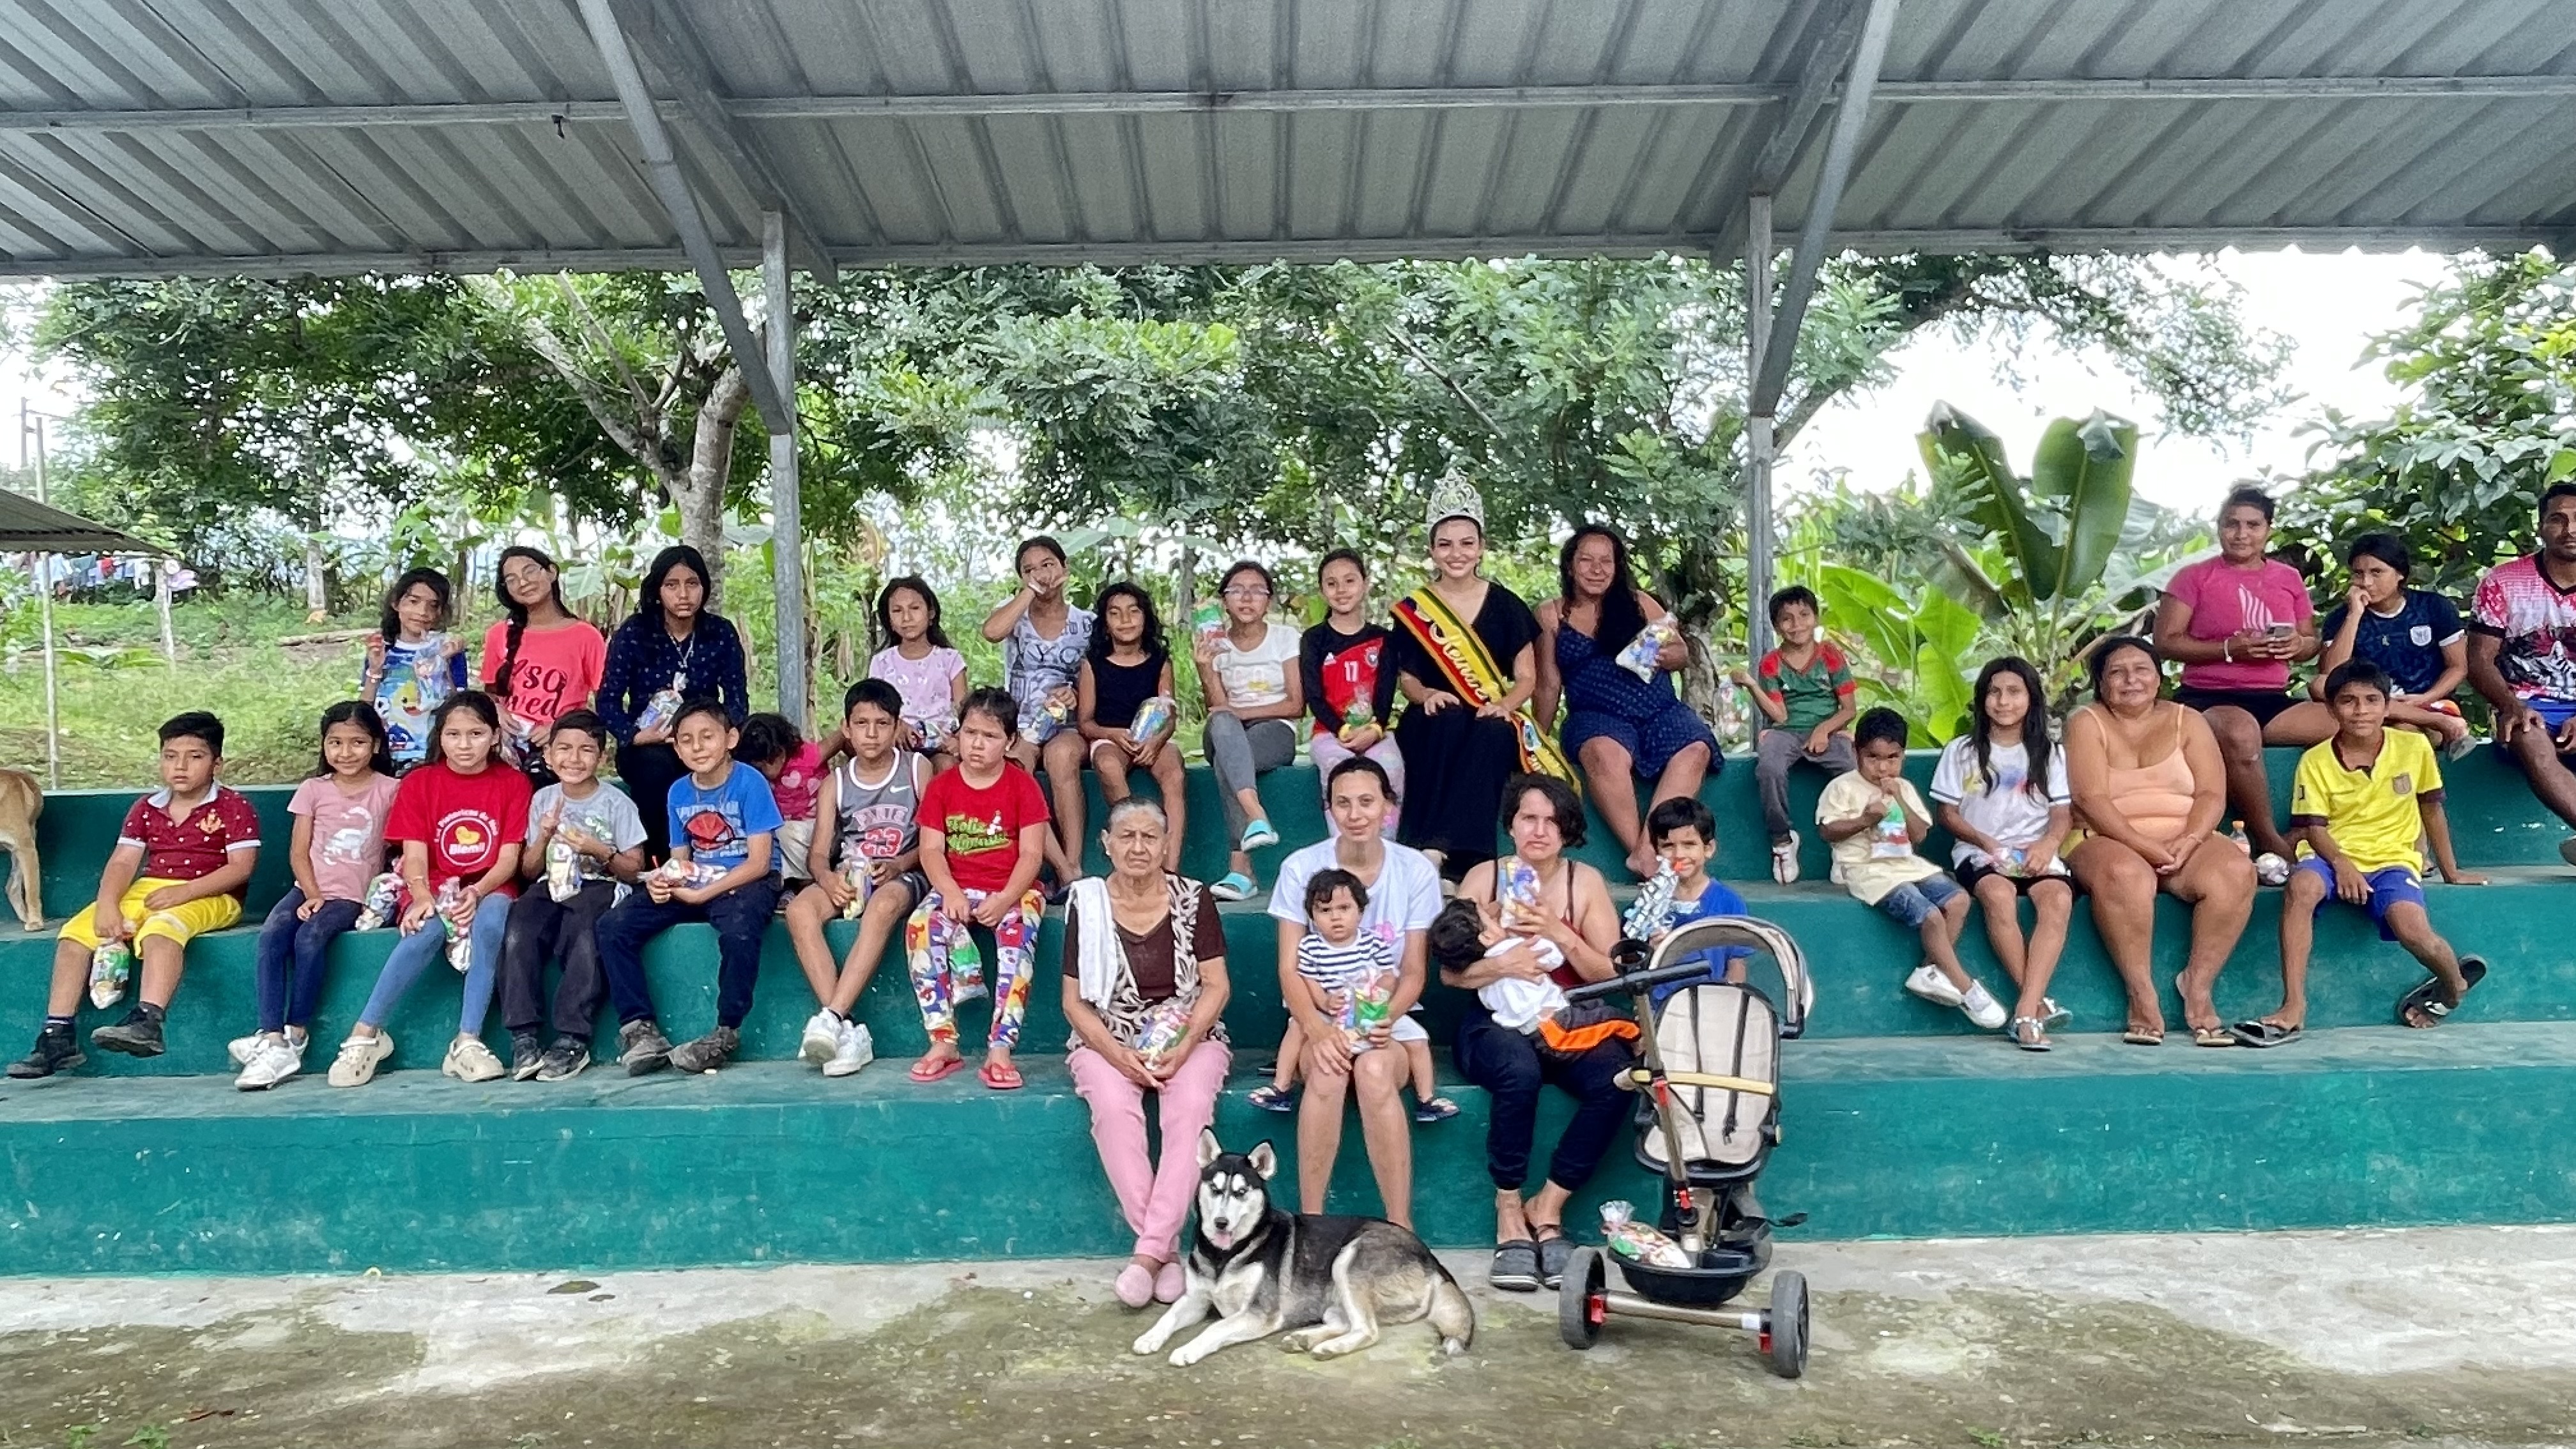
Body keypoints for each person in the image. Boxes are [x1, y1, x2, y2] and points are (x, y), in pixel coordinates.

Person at [2234, 661, 2490, 1047]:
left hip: (2393, 859)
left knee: (2414, 932)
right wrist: (2342, 865)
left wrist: (2451, 871)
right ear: (2332, 709)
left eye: (2372, 700)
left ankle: (2453, 985)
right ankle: (2293, 1006)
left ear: (2387, 707)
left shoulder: (2413, 747)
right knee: (2302, 888)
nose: (2361, 710)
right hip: (2329, 854)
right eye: (2348, 701)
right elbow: (2315, 828)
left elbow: (2432, 810)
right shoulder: (2316, 760)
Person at [1448, 775, 1626, 1292]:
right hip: (1496, 1020)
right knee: (1518, 1071)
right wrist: (1504, 964)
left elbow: (1609, 973)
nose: (1540, 831)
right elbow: (1451, 973)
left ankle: (1547, 1206)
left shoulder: (1584, 882)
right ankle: (1508, 1209)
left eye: (1552, 821)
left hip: (1566, 1017)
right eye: (1529, 818)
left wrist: (1557, 932)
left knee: (1618, 1078)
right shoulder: (1484, 878)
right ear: (1511, 825)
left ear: (1567, 831)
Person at [10, 712, 262, 1078]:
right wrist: (108, 905)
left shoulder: (234, 807)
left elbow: (240, 868)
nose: (180, 766)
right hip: (149, 888)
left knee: (162, 929)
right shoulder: (146, 807)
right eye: (170, 756)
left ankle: (148, 1022)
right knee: (74, 936)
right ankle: (57, 1036)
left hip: (213, 893)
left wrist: (185, 893)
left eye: (195, 757)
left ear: (217, 764)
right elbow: (123, 862)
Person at [1061, 797, 1232, 1308]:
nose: (1138, 847)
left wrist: (1184, 1045)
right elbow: (1073, 1002)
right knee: (1113, 1110)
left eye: (1149, 837)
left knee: (1190, 1108)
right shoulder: (1088, 902)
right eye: (1127, 836)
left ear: (1165, 844)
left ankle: (1146, 1256)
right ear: (1106, 844)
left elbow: (1217, 986)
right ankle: (1165, 1252)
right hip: (1106, 1035)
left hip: (1190, 1032)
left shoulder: (1194, 898)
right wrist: (1117, 1056)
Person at [1263, 756, 1446, 1227]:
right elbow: (1288, 968)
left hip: (1387, 1022)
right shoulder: (1301, 867)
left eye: (1367, 801)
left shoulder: (1415, 871)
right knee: (1327, 1072)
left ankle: (1400, 1226)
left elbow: (1413, 972)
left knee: (1374, 1070)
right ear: (1329, 808)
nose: (1356, 814)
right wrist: (1318, 1030)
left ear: (1388, 806)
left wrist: (1380, 1019)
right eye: (1343, 803)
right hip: (1319, 1019)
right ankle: (1311, 1224)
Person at [326, 691, 532, 1087]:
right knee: (426, 929)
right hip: (432, 882)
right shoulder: (421, 783)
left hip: (491, 883)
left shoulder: (514, 783)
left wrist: (477, 892)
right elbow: (415, 855)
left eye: (476, 734)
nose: (464, 744)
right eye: (453, 735)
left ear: (494, 736)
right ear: (440, 737)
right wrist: (422, 896)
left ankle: (467, 1041)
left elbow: (509, 858)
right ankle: (366, 1034)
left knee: (492, 922)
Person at [2062, 636, 2257, 1047]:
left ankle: (2198, 985)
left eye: (2141, 670)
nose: (2130, 680)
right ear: (2100, 683)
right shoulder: (2086, 722)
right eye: (2117, 673)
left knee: (2236, 871)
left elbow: (2211, 794)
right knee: (2127, 874)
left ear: (2159, 678)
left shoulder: (2189, 720)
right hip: (2104, 838)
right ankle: (2141, 994)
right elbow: (2090, 799)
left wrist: (2191, 839)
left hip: (2184, 839)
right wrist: (2144, 846)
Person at [1390, 477, 1573, 876]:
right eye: (1445, 545)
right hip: (1433, 715)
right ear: (1432, 551)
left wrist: (1505, 706)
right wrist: (1427, 695)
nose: (1456, 553)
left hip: (1490, 710)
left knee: (1492, 733)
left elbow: (1526, 678)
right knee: (1445, 721)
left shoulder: (1506, 605)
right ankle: (1428, 852)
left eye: (1467, 543)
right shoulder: (1415, 609)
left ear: (1481, 548)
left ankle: (1457, 859)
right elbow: (1408, 680)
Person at [594, 699, 785, 1077]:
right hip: (697, 878)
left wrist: (700, 894)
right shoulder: (678, 792)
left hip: (747, 880)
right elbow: (680, 859)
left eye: (707, 737)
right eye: (686, 740)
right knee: (612, 926)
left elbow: (759, 863)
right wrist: (666, 883)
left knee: (739, 930)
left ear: (730, 739)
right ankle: (639, 1029)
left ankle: (726, 1031)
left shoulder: (750, 782)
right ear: (676, 749)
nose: (697, 747)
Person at [232, 702, 401, 1090]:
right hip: (308, 888)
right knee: (273, 935)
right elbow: (298, 852)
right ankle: (271, 1036)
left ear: (376, 745)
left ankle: (297, 1032)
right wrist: (311, 894)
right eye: (335, 742)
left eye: (358, 742)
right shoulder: (313, 789)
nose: (346, 752)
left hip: (353, 896)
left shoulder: (391, 790)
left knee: (310, 939)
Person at [1536, 525, 1719, 878]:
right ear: (1570, 566)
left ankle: (1646, 852)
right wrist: (1536, 743)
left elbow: (1681, 653)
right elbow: (1547, 684)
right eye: (1586, 560)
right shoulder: (1551, 614)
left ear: (1617, 567)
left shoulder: (1641, 603)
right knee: (1605, 753)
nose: (1597, 569)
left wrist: (1669, 656)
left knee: (1696, 748)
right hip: (1596, 715)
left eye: (1606, 561)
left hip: (1658, 710)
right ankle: (1648, 858)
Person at [2150, 487, 2316, 877]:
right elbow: (2165, 642)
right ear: (2220, 527)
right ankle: (2269, 839)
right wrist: (2229, 649)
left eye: (2253, 526)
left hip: (2273, 699)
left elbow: (2310, 642)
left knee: (2353, 724)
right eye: (2232, 524)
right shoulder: (2194, 577)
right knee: (2241, 733)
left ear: (2269, 530)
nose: (2242, 534)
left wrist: (2297, 644)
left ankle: (2322, 830)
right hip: (2207, 697)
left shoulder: (2288, 578)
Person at [1821, 707, 2007, 1032]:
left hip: (1906, 864)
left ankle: (1928, 970)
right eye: (1873, 757)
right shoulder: (1842, 787)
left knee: (1959, 901)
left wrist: (1899, 800)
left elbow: (1919, 835)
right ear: (1856, 752)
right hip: (1865, 868)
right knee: (1930, 915)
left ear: (1903, 756)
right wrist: (1865, 820)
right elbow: (1827, 831)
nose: (1883, 767)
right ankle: (1966, 988)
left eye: (1892, 758)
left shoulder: (1903, 788)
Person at [905, 686, 1051, 1091]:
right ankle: (943, 1040)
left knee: (1018, 936)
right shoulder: (942, 787)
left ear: (1010, 741)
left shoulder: (1023, 786)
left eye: (990, 736)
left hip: (1013, 889)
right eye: (970, 733)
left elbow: (1032, 855)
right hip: (956, 886)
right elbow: (931, 850)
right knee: (920, 926)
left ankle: (1001, 1048)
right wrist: (950, 892)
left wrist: (1005, 898)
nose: (977, 744)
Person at [786, 679, 931, 1080]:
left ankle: (831, 1017)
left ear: (897, 726)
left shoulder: (916, 768)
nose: (872, 734)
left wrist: (900, 864)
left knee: (882, 907)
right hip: (851, 874)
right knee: (799, 912)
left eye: (882, 724)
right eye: (862, 724)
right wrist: (827, 878)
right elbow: (818, 854)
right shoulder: (836, 782)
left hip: (906, 873)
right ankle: (848, 1030)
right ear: (846, 728)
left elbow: (935, 837)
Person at [1932, 657, 2077, 1050]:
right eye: (1994, 692)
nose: (2003, 701)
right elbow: (1947, 814)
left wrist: (2047, 845)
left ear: (2031, 699)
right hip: (1980, 853)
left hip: (2035, 852)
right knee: (1998, 894)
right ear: (1983, 699)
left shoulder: (2051, 754)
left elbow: (2061, 814)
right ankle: (2033, 1009)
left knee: (2058, 899)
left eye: (2014, 692)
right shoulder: (1962, 751)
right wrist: (1985, 842)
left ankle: (2026, 1008)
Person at [498, 709, 648, 1083]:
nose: (574, 759)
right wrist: (545, 835)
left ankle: (572, 1037)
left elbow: (635, 869)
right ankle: (524, 1037)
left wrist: (599, 850)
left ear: (601, 756)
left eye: (586, 749)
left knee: (584, 933)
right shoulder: (542, 799)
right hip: (550, 882)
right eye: (564, 749)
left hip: (600, 884)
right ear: (548, 756)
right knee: (519, 929)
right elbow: (529, 870)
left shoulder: (617, 803)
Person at [1263, 866, 1449, 1124]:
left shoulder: (1373, 943)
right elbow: (1309, 980)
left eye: (1344, 908)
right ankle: (1280, 1088)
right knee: (1296, 1027)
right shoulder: (1310, 946)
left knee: (1418, 1040)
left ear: (1360, 911)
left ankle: (1426, 1099)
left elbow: (1389, 976)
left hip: (1370, 1011)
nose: (1335, 918)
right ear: (1312, 917)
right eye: (1324, 910)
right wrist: (1325, 1002)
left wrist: (1377, 999)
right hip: (1331, 1014)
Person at [597, 545, 749, 859]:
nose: (683, 594)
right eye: (672, 585)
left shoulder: (719, 632)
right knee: (657, 771)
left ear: (704, 588)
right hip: (649, 743)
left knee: (751, 758)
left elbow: (737, 697)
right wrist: (635, 736)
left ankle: (736, 857)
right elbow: (608, 700)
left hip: (707, 738)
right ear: (658, 590)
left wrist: (721, 736)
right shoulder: (635, 633)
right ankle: (663, 863)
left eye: (692, 584)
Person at [2266, 533, 2471, 754]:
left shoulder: (2433, 607)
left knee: (2405, 731)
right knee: (2320, 684)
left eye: (2376, 573)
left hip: (2428, 701)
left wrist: (2425, 698)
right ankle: (2427, 722)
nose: (2366, 582)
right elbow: (2332, 673)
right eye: (2358, 574)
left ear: (2400, 574)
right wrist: (2354, 615)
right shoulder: (2341, 618)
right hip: (2368, 707)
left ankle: (2429, 722)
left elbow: (2458, 666)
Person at [2467, 482, 2576, 867]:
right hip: (2526, 703)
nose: (2570, 530)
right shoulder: (2503, 582)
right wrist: (2511, 706)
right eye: (2558, 519)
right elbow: (2479, 661)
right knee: (2529, 736)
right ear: (2541, 526)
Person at [983, 535, 1092, 888]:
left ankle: (1075, 862)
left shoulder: (1087, 623)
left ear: (1064, 568)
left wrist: (1076, 693)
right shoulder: (1014, 612)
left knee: (1062, 759)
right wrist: (1029, 592)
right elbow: (991, 632)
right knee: (1017, 767)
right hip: (1022, 725)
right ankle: (1061, 867)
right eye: (1029, 569)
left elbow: (1099, 679)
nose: (1041, 574)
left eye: (1048, 565)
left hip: (1068, 725)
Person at [1193, 560, 1303, 901]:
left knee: (1228, 759)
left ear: (1268, 601)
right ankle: (1256, 815)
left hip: (1275, 730)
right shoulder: (1215, 643)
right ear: (1224, 601)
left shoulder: (1285, 638)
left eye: (1257, 591)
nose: (1246, 598)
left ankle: (1241, 871)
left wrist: (1242, 712)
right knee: (1224, 725)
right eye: (1237, 590)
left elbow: (1296, 705)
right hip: (1226, 731)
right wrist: (1205, 668)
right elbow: (1218, 708)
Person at [1737, 585, 1856, 884]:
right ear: (1777, 626)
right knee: (1769, 768)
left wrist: (1824, 730)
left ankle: (1846, 844)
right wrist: (1752, 686)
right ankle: (1782, 841)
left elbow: (1849, 709)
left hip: (1829, 728)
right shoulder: (1771, 663)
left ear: (1816, 618)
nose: (1797, 624)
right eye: (1787, 619)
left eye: (1804, 615)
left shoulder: (1831, 655)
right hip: (1786, 731)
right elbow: (1779, 716)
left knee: (1852, 770)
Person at [1077, 582, 1189, 873]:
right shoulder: (1093, 664)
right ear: (1105, 623)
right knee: (1108, 765)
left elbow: (1169, 715)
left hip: (1153, 738)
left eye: (1133, 612)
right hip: (1111, 738)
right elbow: (1086, 723)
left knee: (1174, 773)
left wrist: (1156, 742)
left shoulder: (1160, 661)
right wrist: (1112, 734)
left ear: (1145, 617)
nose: (1125, 620)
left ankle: (1170, 870)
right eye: (1115, 614)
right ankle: (1137, 842)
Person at [480, 545, 606, 781]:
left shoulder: (585, 636)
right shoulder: (499, 634)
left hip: (558, 747)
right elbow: (491, 693)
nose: (523, 582)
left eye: (529, 571)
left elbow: (604, 702)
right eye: (512, 579)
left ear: (551, 572)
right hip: (506, 742)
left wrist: (560, 728)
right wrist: (496, 710)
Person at [1301, 549, 1405, 836]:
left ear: (1365, 584)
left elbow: (1385, 692)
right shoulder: (1314, 639)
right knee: (1340, 771)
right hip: (1329, 734)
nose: (1341, 590)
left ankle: (1385, 846)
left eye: (1350, 581)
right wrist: (1343, 730)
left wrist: (1375, 729)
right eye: (1331, 583)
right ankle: (1343, 848)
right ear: (1322, 590)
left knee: (1391, 767)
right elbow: (1314, 697)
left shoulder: (1383, 638)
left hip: (1375, 732)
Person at [1638, 797, 1751, 1000]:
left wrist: (1728, 1004)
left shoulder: (1729, 903)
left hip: (1710, 1005)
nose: (1679, 855)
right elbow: (1634, 969)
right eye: (1668, 846)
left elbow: (1737, 966)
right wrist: (1651, 952)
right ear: (1656, 852)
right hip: (1661, 1008)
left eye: (1689, 844)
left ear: (1708, 849)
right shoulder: (1648, 905)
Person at [361, 567, 467, 769]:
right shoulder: (382, 650)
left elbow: (461, 707)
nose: (423, 612)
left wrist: (443, 661)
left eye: (433, 605)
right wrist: (375, 670)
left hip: (435, 756)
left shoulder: (450, 650)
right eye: (414, 602)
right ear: (396, 603)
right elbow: (364, 708)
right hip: (386, 756)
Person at [867, 575, 968, 772]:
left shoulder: (950, 659)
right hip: (897, 744)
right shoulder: (882, 662)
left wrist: (959, 740)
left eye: (914, 608)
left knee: (947, 767)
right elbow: (875, 709)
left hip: (942, 745)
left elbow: (964, 709)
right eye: (897, 611)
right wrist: (898, 726)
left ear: (931, 613)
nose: (906, 618)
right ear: (889, 620)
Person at [737, 712, 823, 885]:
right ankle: (786, 882)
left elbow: (838, 739)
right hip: (783, 830)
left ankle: (803, 883)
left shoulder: (806, 757)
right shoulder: (751, 777)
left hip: (817, 826)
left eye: (771, 761)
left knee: (784, 832)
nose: (767, 771)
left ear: (782, 750)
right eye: (759, 766)